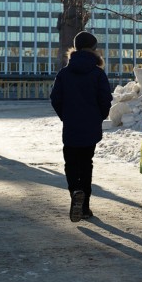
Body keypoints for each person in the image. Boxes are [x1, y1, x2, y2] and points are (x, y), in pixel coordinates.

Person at [50, 31, 113, 222]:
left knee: (71, 163)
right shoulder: (97, 73)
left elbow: (55, 98)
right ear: (93, 49)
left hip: (71, 126)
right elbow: (105, 99)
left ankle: (75, 193)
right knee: (86, 164)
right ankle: (84, 208)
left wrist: (66, 116)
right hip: (90, 127)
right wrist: (98, 117)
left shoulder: (64, 73)